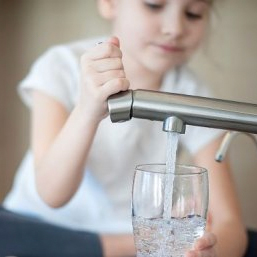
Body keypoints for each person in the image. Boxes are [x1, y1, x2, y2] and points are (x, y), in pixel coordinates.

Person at [1, 0, 248, 256]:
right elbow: (52, 194)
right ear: (109, 3)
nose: (175, 28)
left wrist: (210, 251)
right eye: (154, 5)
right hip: (39, 226)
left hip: (134, 231)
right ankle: (121, 248)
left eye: (193, 14)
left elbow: (229, 223)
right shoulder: (61, 65)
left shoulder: (193, 95)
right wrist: (87, 110)